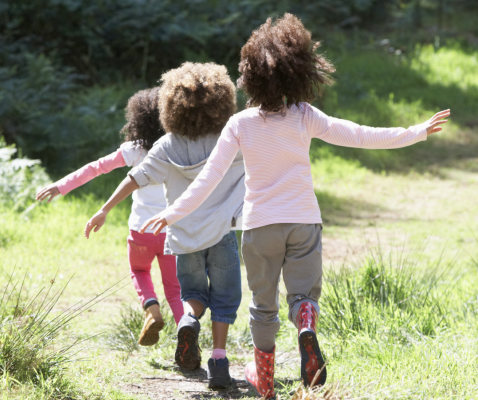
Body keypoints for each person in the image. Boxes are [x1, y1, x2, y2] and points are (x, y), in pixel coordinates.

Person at [141, 14, 450, 399]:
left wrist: (173, 212)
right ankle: (305, 321)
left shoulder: (239, 124)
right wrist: (416, 132)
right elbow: (359, 134)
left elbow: (208, 179)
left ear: (249, 75)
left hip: (259, 228)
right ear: (298, 72)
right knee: (303, 295)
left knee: (262, 307)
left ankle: (265, 380)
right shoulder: (305, 116)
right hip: (304, 221)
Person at [84, 62, 245, 389]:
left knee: (194, 294)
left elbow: (133, 179)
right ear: (221, 100)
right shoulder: (228, 140)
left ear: (171, 104)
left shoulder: (167, 145)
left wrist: (103, 209)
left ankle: (188, 321)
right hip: (222, 235)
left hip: (183, 238)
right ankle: (218, 362)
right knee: (225, 299)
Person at [36, 88, 184, 346]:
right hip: (172, 231)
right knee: (174, 288)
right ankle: (187, 336)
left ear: (139, 119)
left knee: (139, 269)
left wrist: (61, 186)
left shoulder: (135, 150)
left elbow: (96, 168)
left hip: (141, 231)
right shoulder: (179, 148)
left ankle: (151, 308)